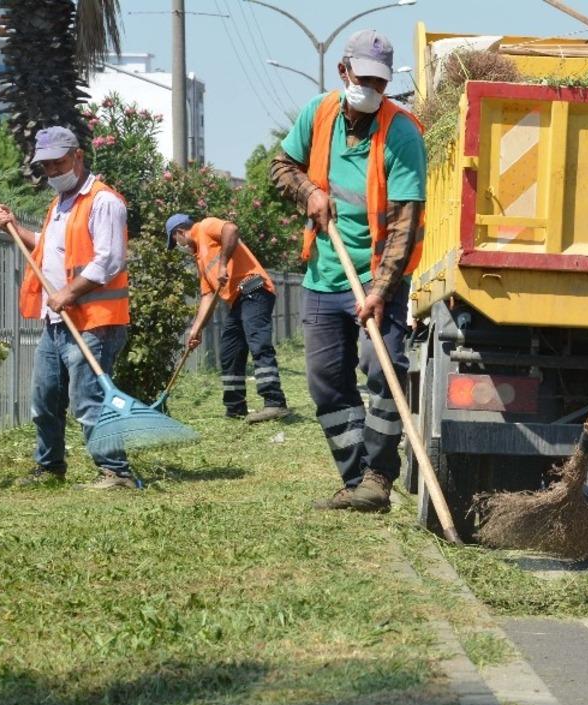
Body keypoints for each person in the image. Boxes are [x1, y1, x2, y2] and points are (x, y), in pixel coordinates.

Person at [270, 29, 426, 513]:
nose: (371, 90)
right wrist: (308, 192)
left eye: (380, 82)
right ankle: (356, 478)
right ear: (344, 72)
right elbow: (281, 167)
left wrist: (380, 292)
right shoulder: (318, 114)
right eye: (363, 79)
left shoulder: (401, 131)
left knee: (383, 372)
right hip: (324, 276)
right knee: (325, 380)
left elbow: (404, 225)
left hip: (380, 278)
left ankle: (379, 475)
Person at [0, 126, 136, 489]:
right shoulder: (60, 204)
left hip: (93, 322)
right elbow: (47, 247)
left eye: (59, 163)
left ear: (78, 156)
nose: (54, 171)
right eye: (48, 166)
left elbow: (109, 261)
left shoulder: (104, 201)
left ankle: (115, 471)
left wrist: (68, 293)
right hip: (57, 320)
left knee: (89, 399)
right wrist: (14, 229)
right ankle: (50, 465)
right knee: (45, 400)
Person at [165, 214, 289, 422]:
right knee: (229, 352)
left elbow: (231, 229)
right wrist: (197, 329)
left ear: (179, 233)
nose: (179, 245)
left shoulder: (205, 226)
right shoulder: (200, 260)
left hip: (254, 289)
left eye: (176, 241)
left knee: (259, 345)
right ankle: (235, 408)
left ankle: (275, 403)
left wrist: (224, 264)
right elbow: (207, 297)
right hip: (238, 301)